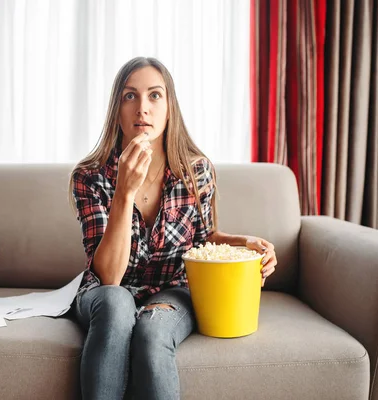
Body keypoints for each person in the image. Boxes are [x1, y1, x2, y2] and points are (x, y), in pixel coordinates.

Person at [69, 57, 278, 400]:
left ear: (169, 109)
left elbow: (205, 238)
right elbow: (108, 276)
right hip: (106, 292)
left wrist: (245, 241)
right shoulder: (90, 177)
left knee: (152, 333)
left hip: (171, 290)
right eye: (130, 96)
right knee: (117, 303)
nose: (143, 109)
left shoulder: (196, 172)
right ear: (117, 111)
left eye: (155, 96)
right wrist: (124, 193)